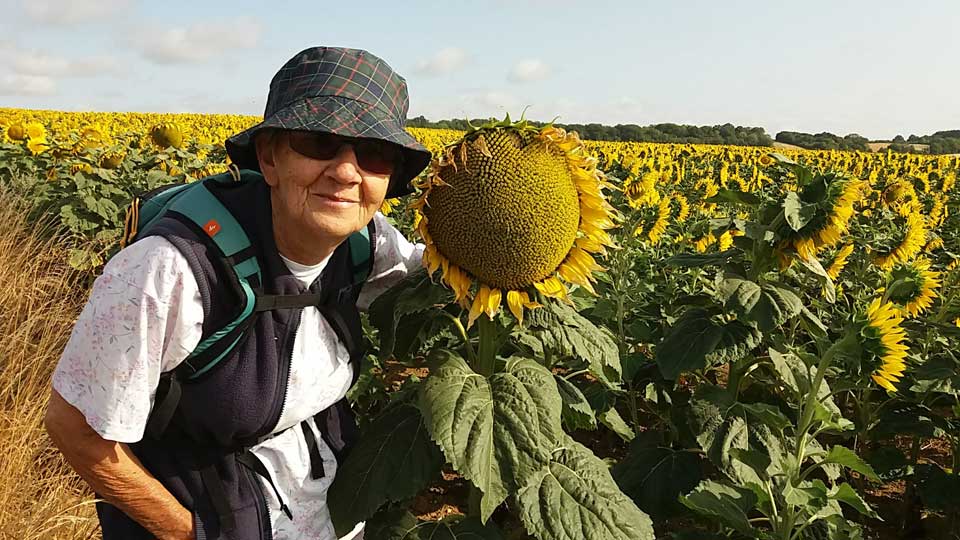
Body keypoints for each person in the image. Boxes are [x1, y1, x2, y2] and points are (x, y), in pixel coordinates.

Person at [43, 46, 432, 540]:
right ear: (269, 158)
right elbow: (74, 428)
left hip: (326, 513)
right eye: (318, 142)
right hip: (212, 517)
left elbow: (447, 274)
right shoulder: (168, 272)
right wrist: (192, 534)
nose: (346, 172)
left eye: (374, 154)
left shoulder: (366, 243)